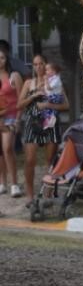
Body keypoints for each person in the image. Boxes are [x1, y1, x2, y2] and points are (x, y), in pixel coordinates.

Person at [17, 54, 68, 205]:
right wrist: (34, 96)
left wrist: (48, 105)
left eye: (41, 64)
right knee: (29, 160)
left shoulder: (55, 82)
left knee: (50, 160)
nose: (38, 67)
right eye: (35, 64)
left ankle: (48, 194)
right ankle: (30, 195)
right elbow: (19, 105)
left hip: (50, 123)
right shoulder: (29, 83)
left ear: (46, 65)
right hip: (32, 122)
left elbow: (66, 105)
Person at [0, 44, 23, 197]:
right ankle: (2, 183)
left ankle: (14, 184)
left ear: (6, 59)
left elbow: (21, 99)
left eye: (2, 58)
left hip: (11, 117)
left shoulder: (14, 76)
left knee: (8, 148)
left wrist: (18, 120)